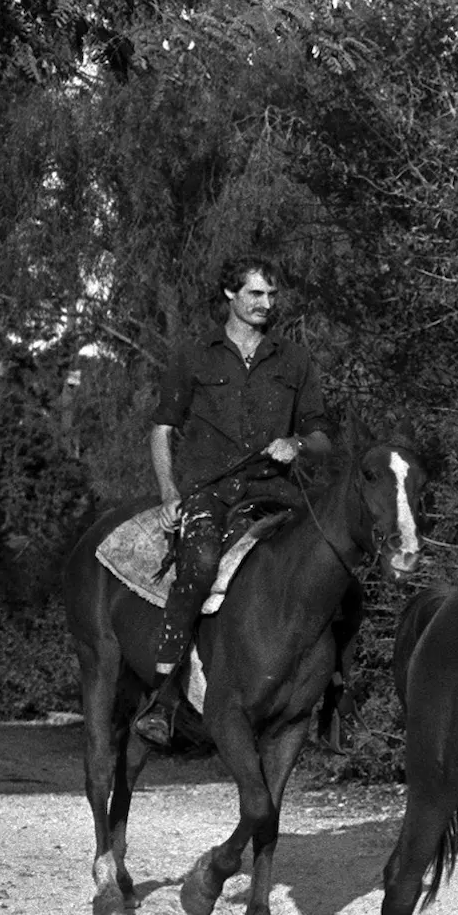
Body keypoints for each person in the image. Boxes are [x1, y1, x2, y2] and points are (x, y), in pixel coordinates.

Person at [133, 257, 335, 747]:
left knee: (334, 559)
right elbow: (162, 430)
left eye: (271, 295)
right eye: (255, 295)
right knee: (199, 563)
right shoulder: (194, 356)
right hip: (211, 492)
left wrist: (299, 444)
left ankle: (335, 695)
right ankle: (164, 697)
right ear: (230, 294)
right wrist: (168, 493)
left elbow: (324, 434)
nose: (266, 304)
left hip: (277, 492)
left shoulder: (294, 360)